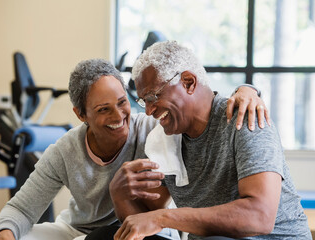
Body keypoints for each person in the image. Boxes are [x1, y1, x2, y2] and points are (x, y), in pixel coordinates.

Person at [0, 58, 266, 240]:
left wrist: (248, 89)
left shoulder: (156, 129)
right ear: (81, 115)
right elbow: (21, 208)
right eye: (104, 110)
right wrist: (5, 235)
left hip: (146, 228)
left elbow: (197, 99)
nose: (118, 117)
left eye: (122, 102)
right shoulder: (64, 151)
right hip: (76, 228)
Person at [109, 41, 312, 240]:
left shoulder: (245, 117)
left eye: (153, 97)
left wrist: (165, 217)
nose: (149, 111)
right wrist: (118, 193)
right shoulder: (162, 141)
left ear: (188, 82)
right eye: (144, 101)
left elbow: (260, 217)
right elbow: (144, 221)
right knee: (104, 236)